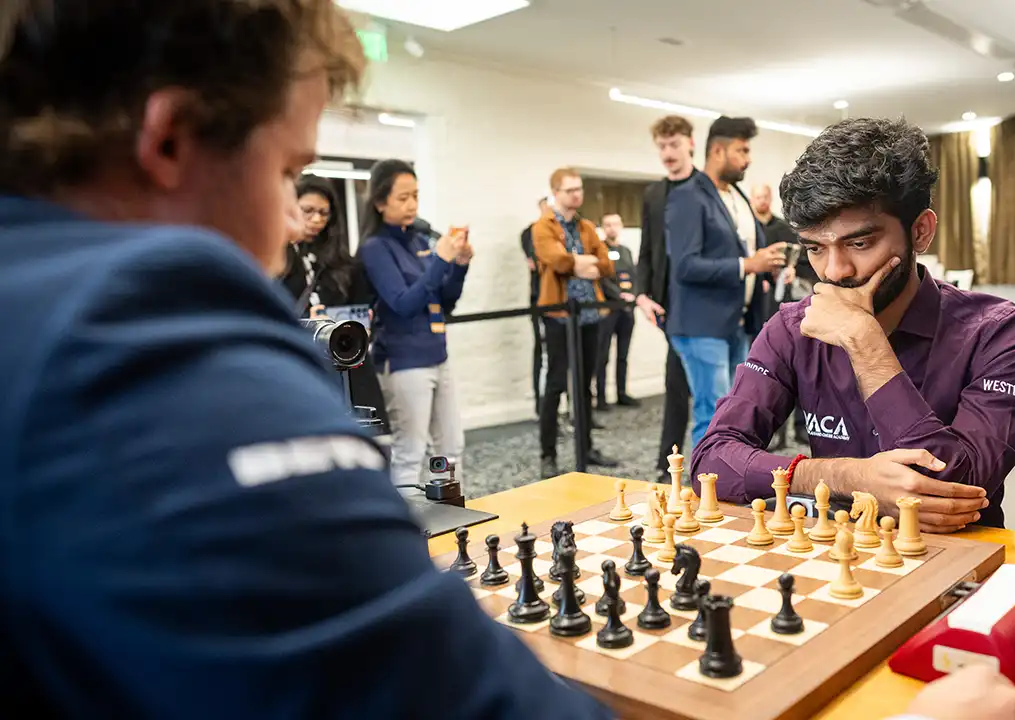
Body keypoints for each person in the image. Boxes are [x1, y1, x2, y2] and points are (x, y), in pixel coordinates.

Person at [0, 0, 606, 715]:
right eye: (288, 171)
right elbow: (454, 689)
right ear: (171, 141)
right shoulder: (146, 328)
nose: (295, 221)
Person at [692, 118, 1015, 530]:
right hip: (833, 556)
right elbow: (710, 462)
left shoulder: (1004, 334)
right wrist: (850, 477)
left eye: (859, 243)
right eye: (815, 248)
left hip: (962, 563)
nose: (835, 271)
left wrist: (866, 343)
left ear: (920, 232)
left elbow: (950, 485)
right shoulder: (791, 328)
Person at [665, 116, 789, 449]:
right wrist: (748, 264)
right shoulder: (687, 197)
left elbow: (745, 250)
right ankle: (703, 495)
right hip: (701, 324)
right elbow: (685, 265)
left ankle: (728, 487)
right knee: (712, 415)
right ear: (718, 150)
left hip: (738, 322)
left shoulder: (736, 196)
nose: (748, 158)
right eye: (742, 150)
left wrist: (768, 263)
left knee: (736, 414)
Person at [359, 159, 472, 491]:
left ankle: (452, 516)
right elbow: (403, 303)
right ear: (380, 202)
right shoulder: (375, 247)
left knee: (450, 449)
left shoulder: (419, 239)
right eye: (402, 197)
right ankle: (412, 535)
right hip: (404, 361)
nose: (412, 205)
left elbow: (444, 300)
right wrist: (440, 260)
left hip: (438, 354)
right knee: (410, 453)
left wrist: (460, 264)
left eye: (415, 196)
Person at [532, 167, 619, 478]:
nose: (577, 195)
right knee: (555, 384)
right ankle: (548, 454)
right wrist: (578, 262)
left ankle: (586, 448)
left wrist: (584, 263)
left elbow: (607, 263)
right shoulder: (542, 226)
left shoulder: (585, 226)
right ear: (556, 192)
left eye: (579, 189)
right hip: (558, 316)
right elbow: (554, 259)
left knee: (584, 385)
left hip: (590, 315)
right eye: (570, 190)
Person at [281, 175, 384, 417]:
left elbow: (362, 306)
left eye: (324, 213)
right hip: (300, 366)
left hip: (347, 366)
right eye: (308, 211)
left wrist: (363, 326)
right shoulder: (275, 260)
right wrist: (307, 321)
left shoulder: (342, 263)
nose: (317, 220)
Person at [635, 115, 696, 481]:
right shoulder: (654, 194)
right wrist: (642, 295)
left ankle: (718, 460)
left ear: (690, 143)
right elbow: (646, 250)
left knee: (711, 390)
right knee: (675, 384)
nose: (668, 152)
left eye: (674, 144)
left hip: (705, 307)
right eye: (662, 146)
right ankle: (666, 464)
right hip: (670, 307)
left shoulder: (707, 189)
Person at [751, 183, 807, 449]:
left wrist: (793, 273)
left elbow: (803, 260)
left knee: (795, 370)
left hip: (784, 308)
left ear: (769, 198)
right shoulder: (747, 229)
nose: (761, 201)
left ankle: (798, 429)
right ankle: (768, 432)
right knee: (762, 375)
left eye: (764, 196)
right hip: (753, 312)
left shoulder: (785, 229)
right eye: (756, 197)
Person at [595, 212, 639, 410]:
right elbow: (601, 278)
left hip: (627, 310)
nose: (611, 228)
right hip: (608, 309)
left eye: (615, 224)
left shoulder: (626, 251)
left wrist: (634, 294)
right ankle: (602, 398)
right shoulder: (599, 250)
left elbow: (635, 276)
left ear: (621, 226)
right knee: (602, 355)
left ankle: (622, 393)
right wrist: (619, 295)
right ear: (603, 228)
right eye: (607, 224)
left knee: (623, 354)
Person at [523, 197, 551, 412]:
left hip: (564, 301)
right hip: (541, 299)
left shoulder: (567, 231)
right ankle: (543, 410)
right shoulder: (530, 233)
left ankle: (573, 410)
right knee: (543, 353)